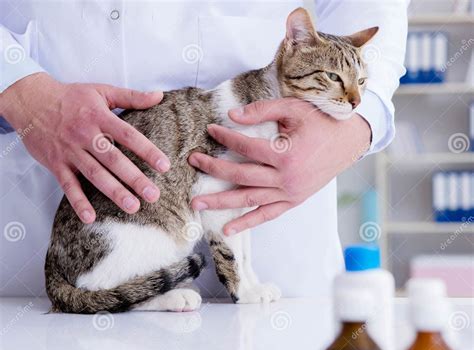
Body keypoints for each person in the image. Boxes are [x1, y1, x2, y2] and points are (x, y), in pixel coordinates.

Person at [0, 1, 408, 299]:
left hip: (281, 250)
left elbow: (376, 13)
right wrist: (20, 90)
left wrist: (358, 124)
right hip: (48, 211)